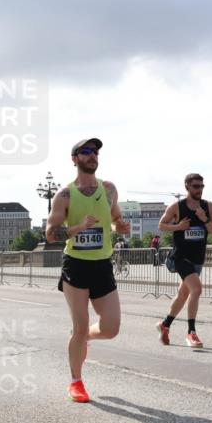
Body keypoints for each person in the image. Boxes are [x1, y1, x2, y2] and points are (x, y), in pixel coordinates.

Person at [46, 138, 128, 403]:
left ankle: (82, 339)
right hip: (76, 265)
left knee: (111, 327)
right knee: (79, 325)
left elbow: (115, 219)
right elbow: (50, 234)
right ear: (75, 159)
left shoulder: (108, 189)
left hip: (102, 264)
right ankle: (76, 381)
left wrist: (120, 227)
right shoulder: (64, 195)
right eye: (86, 151)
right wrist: (76, 228)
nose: (93, 155)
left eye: (95, 152)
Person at [155, 174, 212, 349]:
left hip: (197, 259)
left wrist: (204, 218)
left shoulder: (209, 206)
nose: (199, 189)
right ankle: (191, 333)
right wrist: (178, 227)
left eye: (202, 186)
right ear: (187, 187)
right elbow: (161, 225)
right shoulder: (177, 206)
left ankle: (165, 325)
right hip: (180, 257)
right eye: (196, 186)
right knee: (197, 290)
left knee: (183, 295)